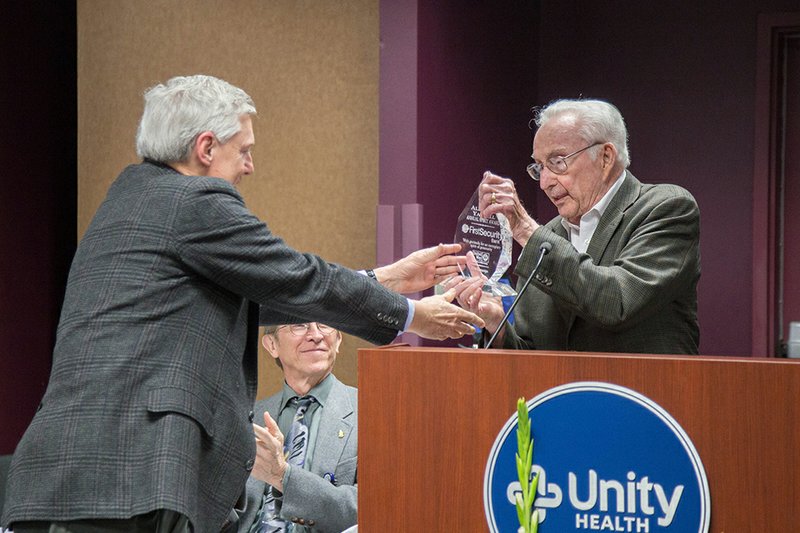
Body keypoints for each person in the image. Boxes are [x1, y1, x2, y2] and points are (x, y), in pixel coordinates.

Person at [1, 74, 483, 533]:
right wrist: (412, 315)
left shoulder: (130, 199)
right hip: (131, 481)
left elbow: (246, 295)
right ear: (206, 147)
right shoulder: (196, 200)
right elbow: (295, 276)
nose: (250, 166)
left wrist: (387, 279)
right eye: (244, 150)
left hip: (63, 476)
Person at [451, 98, 700, 355]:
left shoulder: (666, 207)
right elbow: (530, 352)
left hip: (641, 393)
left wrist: (526, 230)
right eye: (539, 167)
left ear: (605, 157)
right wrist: (497, 325)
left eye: (558, 162)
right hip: (561, 395)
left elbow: (618, 302)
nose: (545, 182)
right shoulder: (548, 236)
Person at [233, 322, 355, 533]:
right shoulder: (247, 418)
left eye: (324, 325)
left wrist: (283, 476)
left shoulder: (372, 410)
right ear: (271, 345)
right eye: (299, 325)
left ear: (338, 340)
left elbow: (373, 507)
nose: (316, 335)